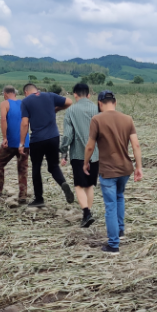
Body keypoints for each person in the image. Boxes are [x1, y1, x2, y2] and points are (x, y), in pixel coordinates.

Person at [83, 90, 143, 254]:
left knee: (110, 205)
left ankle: (113, 244)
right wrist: (139, 167)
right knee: (119, 197)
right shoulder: (127, 119)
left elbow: (90, 146)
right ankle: (121, 230)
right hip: (125, 169)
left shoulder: (96, 120)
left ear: (100, 104)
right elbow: (136, 145)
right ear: (115, 103)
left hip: (108, 170)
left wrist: (86, 162)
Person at [18, 83, 74, 207]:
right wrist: (57, 109)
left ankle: (39, 199)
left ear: (26, 92)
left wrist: (21, 143)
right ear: (36, 89)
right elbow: (69, 101)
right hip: (54, 137)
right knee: (53, 166)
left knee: (36, 168)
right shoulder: (50, 96)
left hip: (37, 140)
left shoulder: (26, 101)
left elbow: (25, 124)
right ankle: (63, 183)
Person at [60, 82, 100, 227]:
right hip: (95, 154)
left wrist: (63, 152)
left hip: (78, 154)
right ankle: (88, 214)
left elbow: (68, 136)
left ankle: (86, 213)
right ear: (89, 95)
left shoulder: (71, 111)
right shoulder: (97, 109)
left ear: (75, 94)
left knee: (78, 185)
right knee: (89, 185)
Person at [0, 85, 29, 202]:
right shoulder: (23, 103)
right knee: (22, 169)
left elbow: (3, 119)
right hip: (24, 143)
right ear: (15, 93)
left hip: (11, 142)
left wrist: (4, 138)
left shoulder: (5, 103)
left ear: (5, 94)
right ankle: (23, 195)